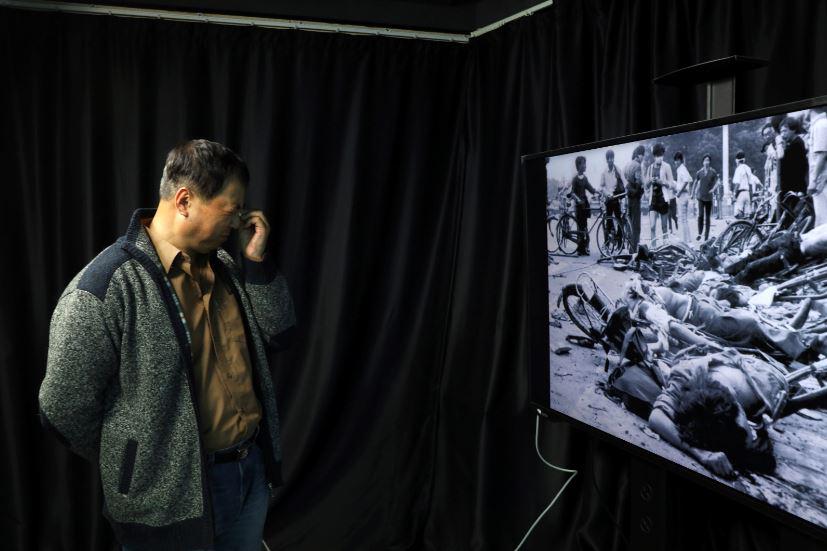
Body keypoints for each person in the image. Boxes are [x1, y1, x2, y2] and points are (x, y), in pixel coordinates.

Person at [38, 140, 297, 550]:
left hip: (249, 474)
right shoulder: (106, 287)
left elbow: (279, 333)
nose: (239, 222)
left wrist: (258, 261)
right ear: (184, 200)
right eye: (231, 210)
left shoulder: (227, 266)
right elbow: (63, 409)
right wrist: (139, 462)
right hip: (166, 503)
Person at [778, 116, 809, 229]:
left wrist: (780, 147)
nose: (782, 134)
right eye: (781, 131)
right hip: (790, 188)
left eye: (785, 131)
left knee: (789, 221)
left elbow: (784, 162)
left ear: (793, 129)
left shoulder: (797, 144)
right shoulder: (793, 143)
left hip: (794, 189)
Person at [644, 143, 673, 248]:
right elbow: (646, 186)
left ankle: (666, 248)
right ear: (654, 156)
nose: (659, 158)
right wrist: (650, 181)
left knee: (664, 226)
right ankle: (654, 248)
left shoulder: (667, 167)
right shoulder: (650, 168)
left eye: (661, 155)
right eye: (657, 156)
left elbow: (672, 184)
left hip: (663, 200)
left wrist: (663, 182)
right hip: (653, 200)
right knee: (652, 226)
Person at [568, 155, 597, 255]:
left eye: (585, 163)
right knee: (579, 227)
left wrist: (597, 192)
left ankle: (584, 247)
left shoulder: (585, 178)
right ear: (578, 166)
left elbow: (590, 188)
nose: (585, 166)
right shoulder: (575, 179)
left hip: (585, 206)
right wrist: (578, 200)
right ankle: (580, 249)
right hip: (578, 206)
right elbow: (572, 193)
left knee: (585, 226)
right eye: (583, 164)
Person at [600, 149, 626, 247]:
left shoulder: (618, 170)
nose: (610, 160)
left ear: (613, 159)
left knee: (619, 220)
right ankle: (607, 243)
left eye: (612, 158)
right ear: (606, 160)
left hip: (616, 198)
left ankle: (620, 242)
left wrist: (627, 189)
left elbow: (624, 180)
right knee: (608, 221)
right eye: (609, 158)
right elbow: (601, 186)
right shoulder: (604, 172)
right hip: (608, 199)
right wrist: (607, 193)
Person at [624, 145, 646, 252]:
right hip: (635, 198)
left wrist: (629, 186)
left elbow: (625, 177)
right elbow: (638, 183)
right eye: (643, 155)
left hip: (628, 198)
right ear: (639, 155)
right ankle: (634, 250)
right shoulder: (637, 166)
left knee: (629, 223)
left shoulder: (628, 164)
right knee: (636, 226)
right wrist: (641, 189)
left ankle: (629, 248)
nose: (643, 158)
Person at [692, 154, 719, 242]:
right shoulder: (699, 172)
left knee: (707, 218)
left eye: (708, 160)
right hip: (700, 197)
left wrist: (713, 189)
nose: (706, 162)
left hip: (709, 198)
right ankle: (700, 233)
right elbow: (695, 182)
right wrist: (692, 193)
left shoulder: (713, 172)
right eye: (705, 160)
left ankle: (706, 237)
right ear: (703, 162)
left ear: (710, 162)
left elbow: (717, 182)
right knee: (700, 215)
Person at [808, 107, 827, 227]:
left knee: (823, 223)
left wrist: (813, 181)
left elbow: (822, 154)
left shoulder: (820, 125)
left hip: (821, 182)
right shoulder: (820, 124)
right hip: (821, 180)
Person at [673, 152, 693, 243]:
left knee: (683, 219)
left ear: (680, 160)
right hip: (683, 195)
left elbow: (686, 181)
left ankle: (685, 240)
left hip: (682, 195)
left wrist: (679, 192)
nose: (676, 162)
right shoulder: (682, 169)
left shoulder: (681, 169)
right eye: (675, 160)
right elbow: (689, 179)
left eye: (677, 160)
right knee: (684, 219)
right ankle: (687, 239)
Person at [732, 151, 754, 218]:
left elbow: (737, 183)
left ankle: (741, 227)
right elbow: (751, 183)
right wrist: (751, 196)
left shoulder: (738, 169)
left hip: (740, 193)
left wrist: (734, 195)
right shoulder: (748, 168)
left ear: (737, 160)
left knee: (738, 214)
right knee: (747, 215)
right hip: (747, 193)